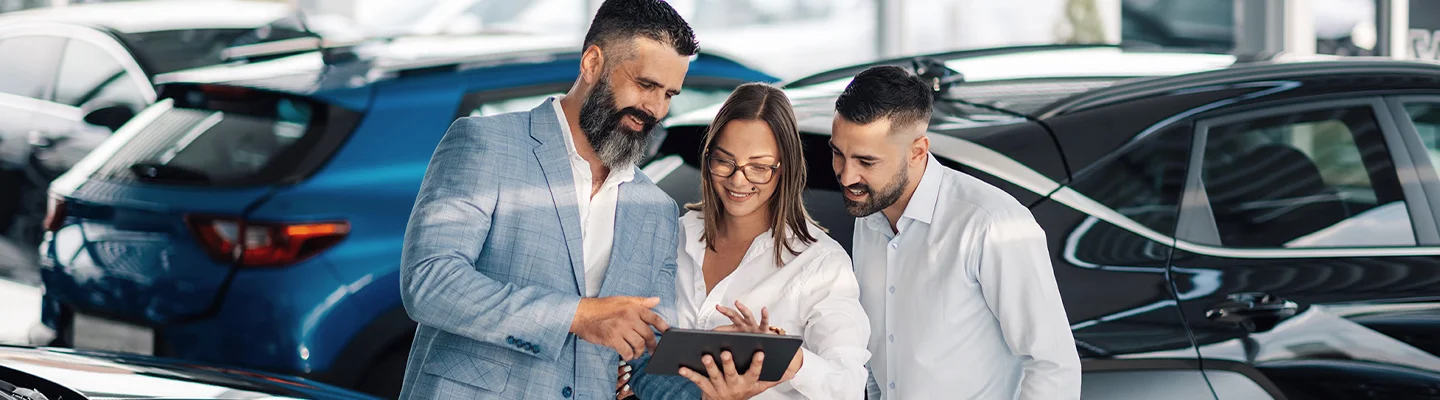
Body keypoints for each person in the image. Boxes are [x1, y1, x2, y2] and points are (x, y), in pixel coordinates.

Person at [396, 0, 699, 398]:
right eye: (645, 85)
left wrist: (714, 370)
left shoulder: (656, 210)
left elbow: (645, 356)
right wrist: (578, 316)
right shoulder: (486, 143)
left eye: (669, 94)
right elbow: (429, 281)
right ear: (592, 63)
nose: (655, 109)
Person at [828, 66, 1082, 399]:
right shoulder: (869, 219)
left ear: (918, 151)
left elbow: (1053, 367)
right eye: (837, 153)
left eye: (866, 161)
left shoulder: (993, 224)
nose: (847, 177)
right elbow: (879, 361)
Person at [616, 83, 872, 400]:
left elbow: (848, 385)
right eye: (724, 161)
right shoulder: (671, 236)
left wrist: (786, 359)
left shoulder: (821, 264)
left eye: (759, 168)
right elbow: (629, 342)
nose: (738, 180)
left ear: (785, 168)